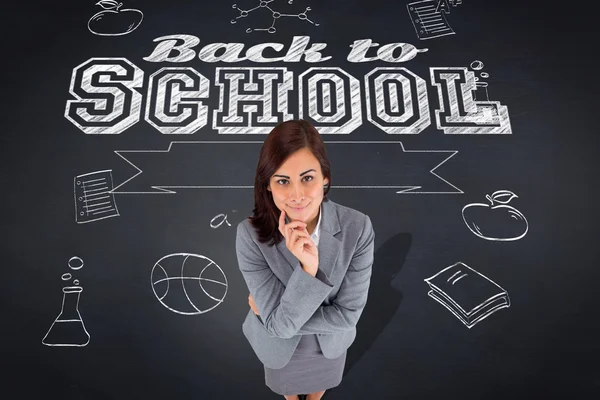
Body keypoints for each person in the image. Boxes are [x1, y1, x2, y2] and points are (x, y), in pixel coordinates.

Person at [235, 120, 375, 400]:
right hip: (279, 350)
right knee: (287, 390)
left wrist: (273, 315)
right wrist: (308, 268)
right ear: (268, 186)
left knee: (317, 390)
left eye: (307, 178)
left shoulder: (357, 227)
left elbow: (347, 317)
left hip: (330, 347)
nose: (297, 195)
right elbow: (280, 329)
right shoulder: (249, 235)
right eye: (283, 181)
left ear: (325, 178)